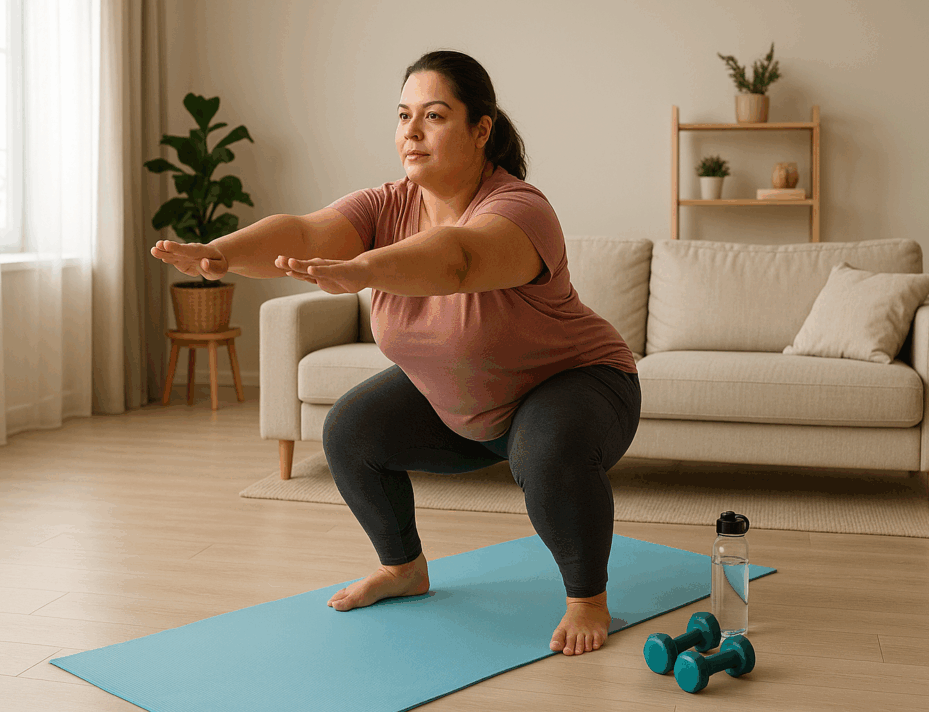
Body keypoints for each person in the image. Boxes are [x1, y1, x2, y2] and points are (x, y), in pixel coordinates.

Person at [150, 50, 641, 657]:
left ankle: (587, 597)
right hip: (467, 403)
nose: (411, 131)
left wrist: (360, 268)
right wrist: (220, 253)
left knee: (548, 455)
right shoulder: (384, 205)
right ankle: (404, 568)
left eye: (433, 115)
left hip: (577, 382)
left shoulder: (520, 208)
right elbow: (304, 232)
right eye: (404, 115)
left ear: (480, 129)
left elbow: (457, 259)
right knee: (349, 431)